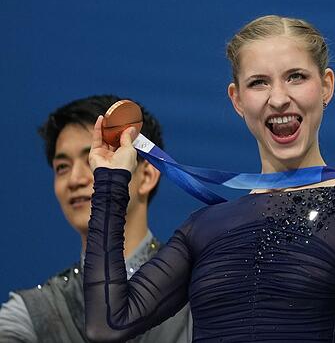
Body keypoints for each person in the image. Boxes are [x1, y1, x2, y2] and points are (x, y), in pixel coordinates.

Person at [82, 15, 335, 342]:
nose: (278, 98)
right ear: (237, 99)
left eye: (296, 77)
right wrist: (111, 183)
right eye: (259, 82)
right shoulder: (204, 227)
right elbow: (109, 323)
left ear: (326, 86)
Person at [0, 95, 192, 342]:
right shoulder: (34, 313)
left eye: (97, 156)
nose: (75, 179)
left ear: (146, 176)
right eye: (62, 167)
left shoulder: (198, 290)